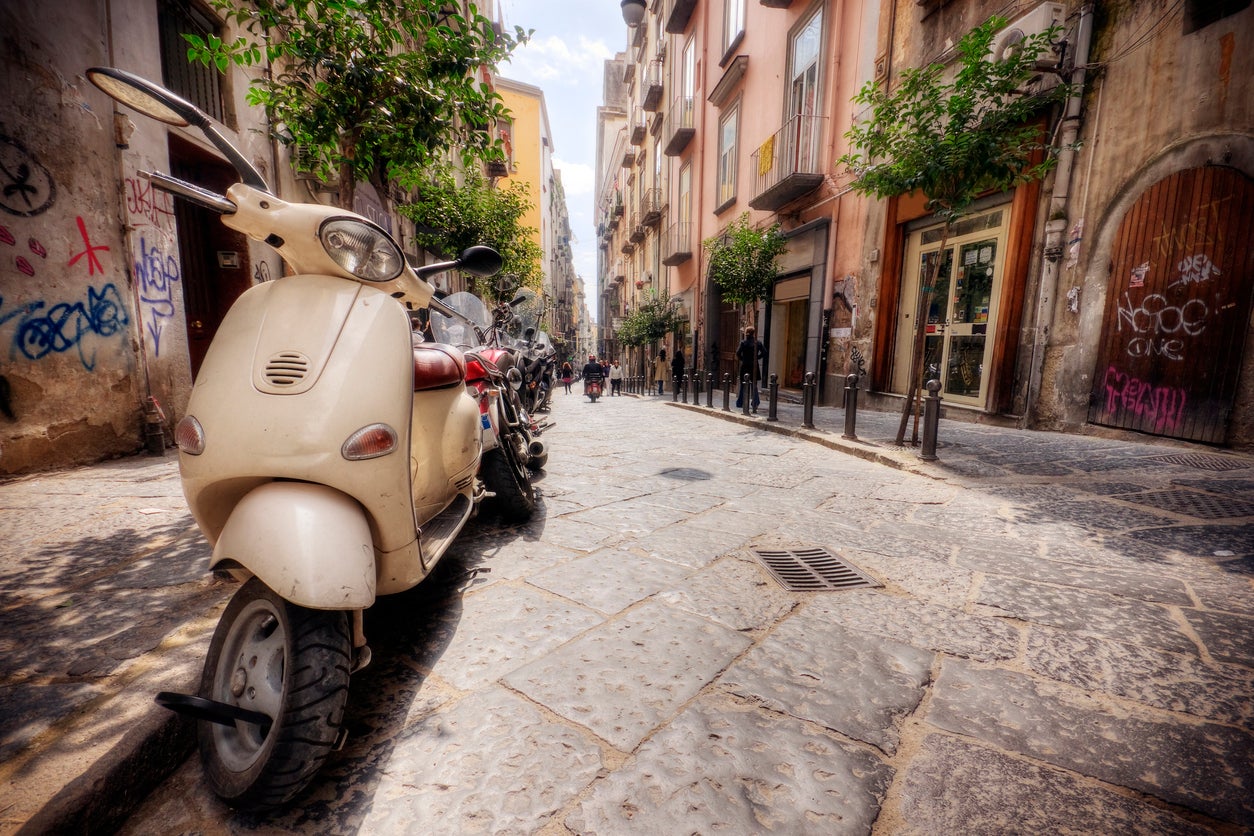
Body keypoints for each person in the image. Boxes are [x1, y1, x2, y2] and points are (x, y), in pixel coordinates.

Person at [735, 326, 766, 411]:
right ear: (754, 333)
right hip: (754, 366)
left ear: (746, 333)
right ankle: (755, 402)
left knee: (743, 384)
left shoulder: (743, 343)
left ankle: (740, 402)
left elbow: (737, 353)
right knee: (754, 385)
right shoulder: (757, 343)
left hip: (745, 366)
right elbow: (764, 352)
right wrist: (757, 358)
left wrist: (743, 359)